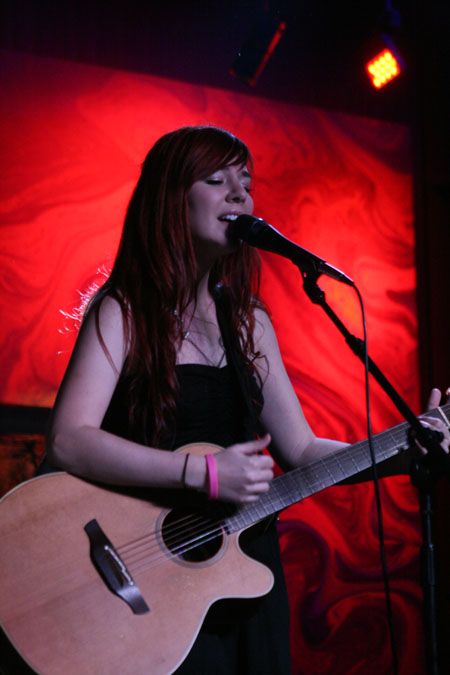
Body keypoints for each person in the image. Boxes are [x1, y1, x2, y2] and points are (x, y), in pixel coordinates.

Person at [45, 125, 449, 674]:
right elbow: (69, 440)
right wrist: (203, 474)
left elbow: (302, 451)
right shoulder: (124, 311)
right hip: (147, 582)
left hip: (245, 573)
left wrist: (404, 451)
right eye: (217, 180)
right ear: (170, 199)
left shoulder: (248, 322)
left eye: (246, 182)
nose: (240, 194)